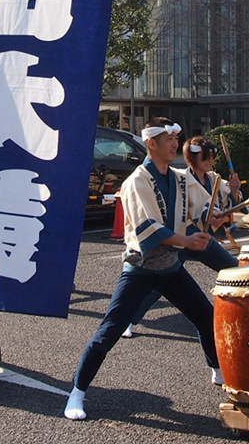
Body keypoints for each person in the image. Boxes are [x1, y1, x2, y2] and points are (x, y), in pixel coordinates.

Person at [65, 119, 222, 421]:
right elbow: (150, 227)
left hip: (170, 267)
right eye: (168, 139)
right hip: (141, 268)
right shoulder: (137, 180)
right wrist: (188, 240)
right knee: (108, 332)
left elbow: (199, 206)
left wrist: (211, 216)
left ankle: (217, 369)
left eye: (176, 139)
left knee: (206, 316)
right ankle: (77, 391)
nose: (175, 144)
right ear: (151, 143)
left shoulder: (179, 178)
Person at [123, 136, 238, 337]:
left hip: (200, 239)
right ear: (193, 158)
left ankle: (246, 311)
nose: (210, 161)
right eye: (205, 157)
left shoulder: (214, 179)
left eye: (212, 157)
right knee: (158, 285)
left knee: (232, 267)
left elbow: (223, 206)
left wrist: (234, 192)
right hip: (181, 239)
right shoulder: (182, 178)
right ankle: (130, 320)